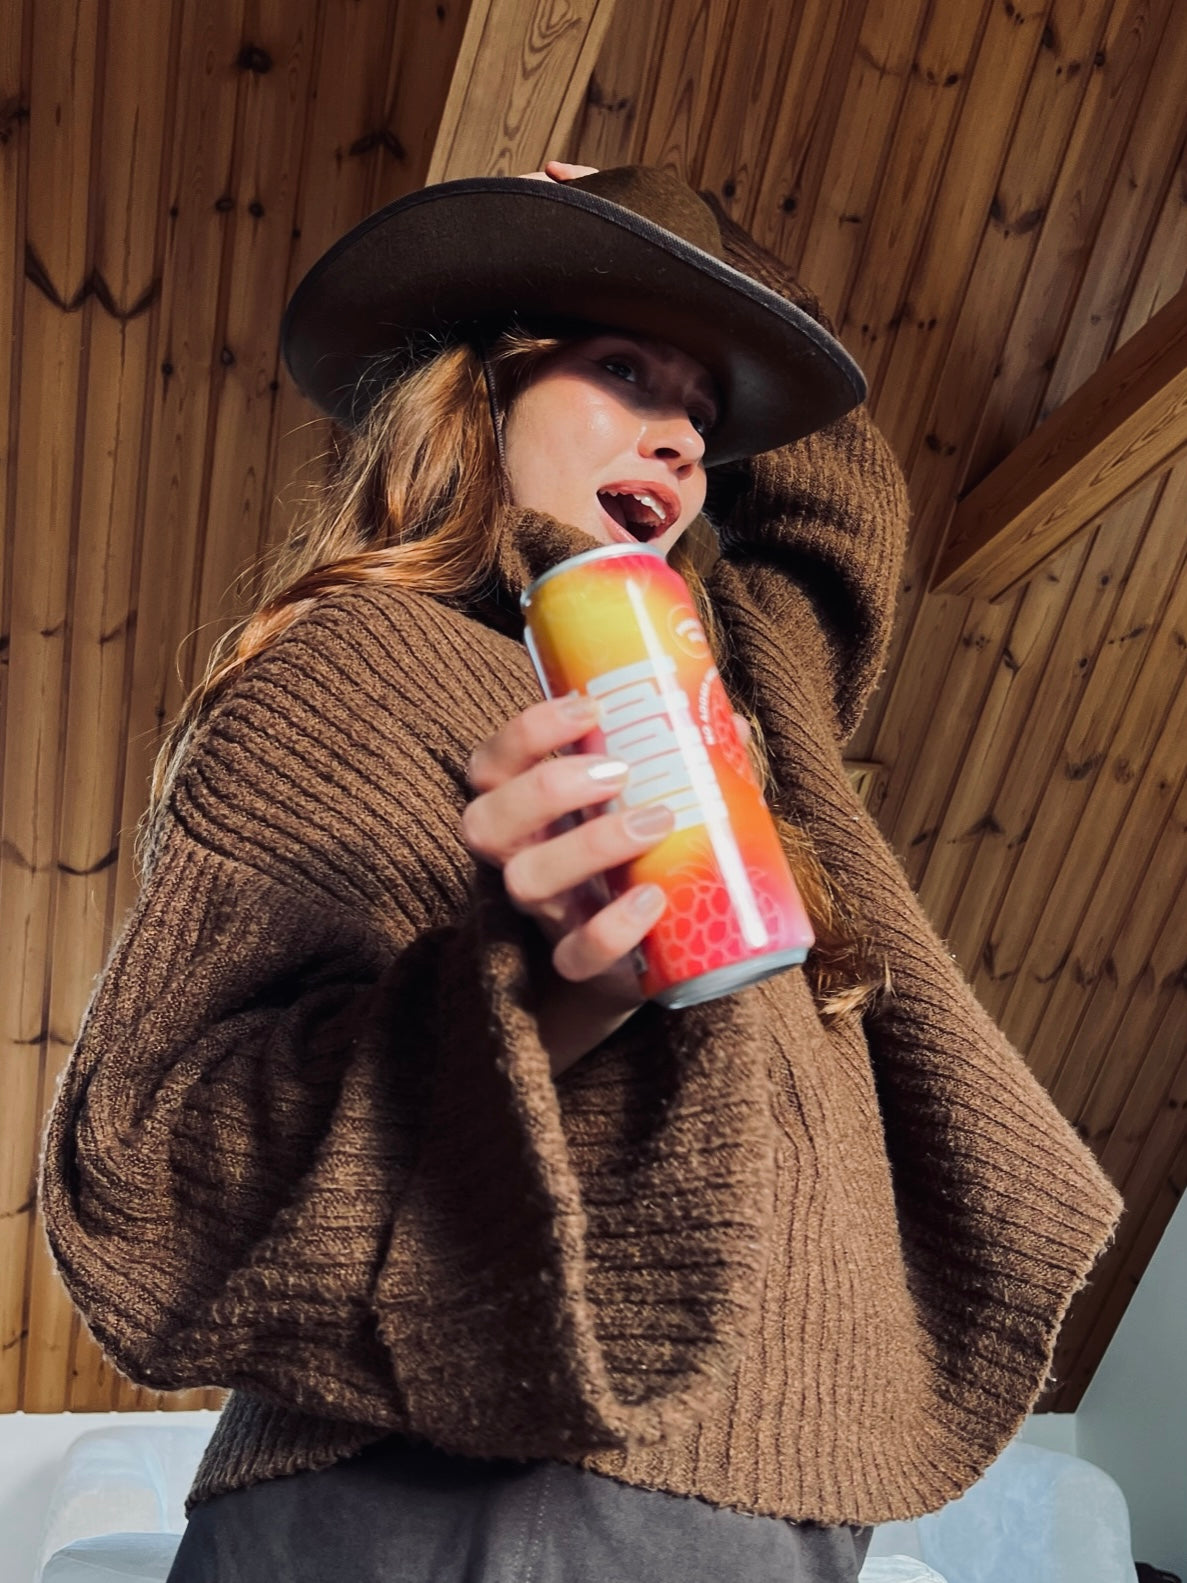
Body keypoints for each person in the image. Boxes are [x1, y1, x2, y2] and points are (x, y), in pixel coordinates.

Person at [39, 163, 1121, 1583]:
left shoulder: (732, 714)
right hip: (486, 1476)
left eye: (706, 418)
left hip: (776, 1494)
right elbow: (149, 1154)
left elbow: (839, 528)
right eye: (622, 371)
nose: (681, 444)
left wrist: (704, 254)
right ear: (479, 392)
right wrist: (532, 994)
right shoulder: (352, 661)